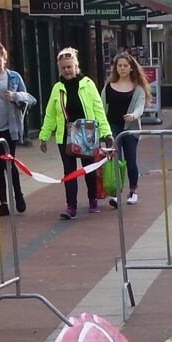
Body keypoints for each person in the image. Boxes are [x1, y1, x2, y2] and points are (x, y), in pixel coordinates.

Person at [37, 47, 112, 219]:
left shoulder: (88, 84)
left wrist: (106, 134)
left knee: (89, 169)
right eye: (63, 68)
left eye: (69, 67)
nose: (67, 70)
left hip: (87, 133)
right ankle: (71, 206)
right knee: (69, 172)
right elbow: (50, 114)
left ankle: (92, 199)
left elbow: (99, 109)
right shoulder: (57, 88)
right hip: (65, 135)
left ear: (76, 66)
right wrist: (43, 136)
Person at [0, 43, 35, 217]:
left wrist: (14, 96)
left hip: (10, 127)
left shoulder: (14, 77)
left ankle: (18, 195)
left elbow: (29, 98)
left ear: (4, 60)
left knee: (10, 163)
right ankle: (4, 203)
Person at [104, 52, 148, 208]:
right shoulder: (109, 86)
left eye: (125, 66)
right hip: (113, 126)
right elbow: (101, 106)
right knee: (116, 159)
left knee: (131, 160)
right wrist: (102, 127)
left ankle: (133, 191)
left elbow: (140, 107)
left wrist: (133, 115)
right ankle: (116, 193)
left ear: (131, 68)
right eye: (119, 66)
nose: (122, 68)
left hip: (131, 129)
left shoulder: (138, 89)